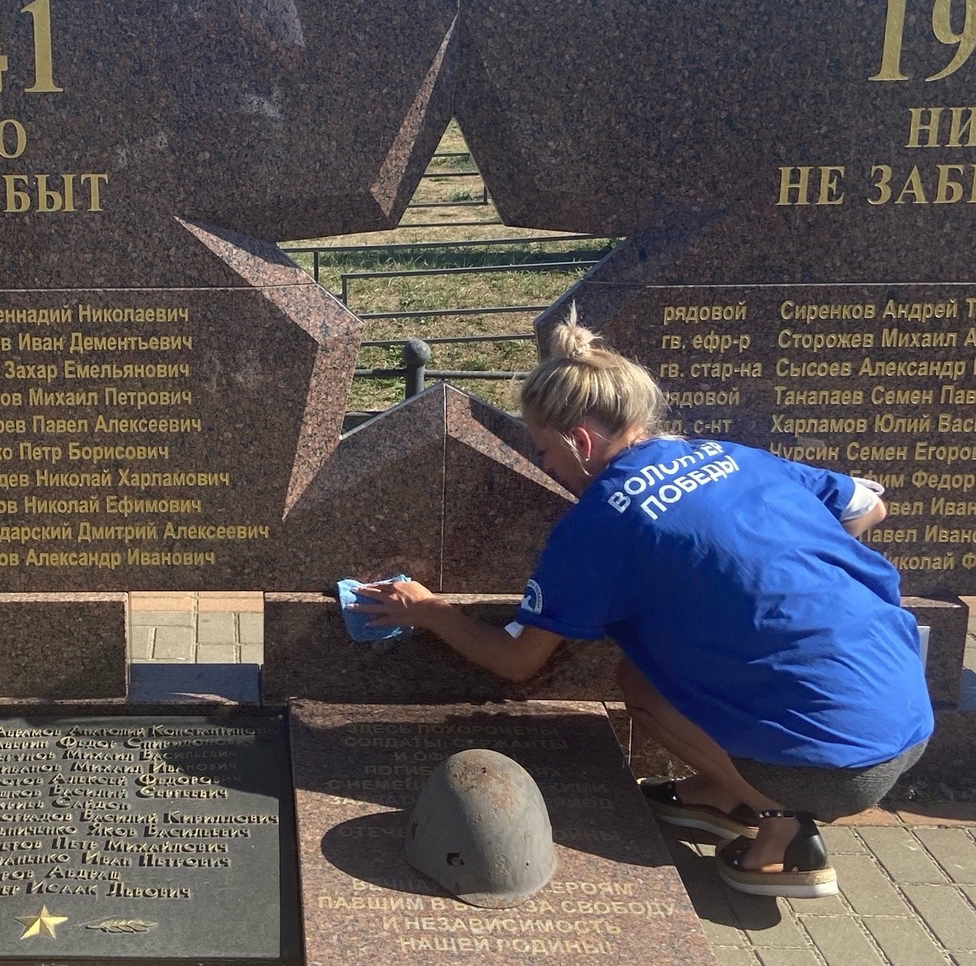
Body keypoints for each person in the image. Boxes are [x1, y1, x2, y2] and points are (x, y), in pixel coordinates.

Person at [355, 316, 933, 899]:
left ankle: (782, 829)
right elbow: (867, 509)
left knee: (641, 685)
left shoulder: (602, 521)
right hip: (909, 709)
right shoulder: (732, 455)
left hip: (836, 764)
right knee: (646, 670)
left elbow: (516, 661)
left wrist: (428, 610)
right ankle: (721, 794)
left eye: (545, 451)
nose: (545, 468)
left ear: (581, 441)